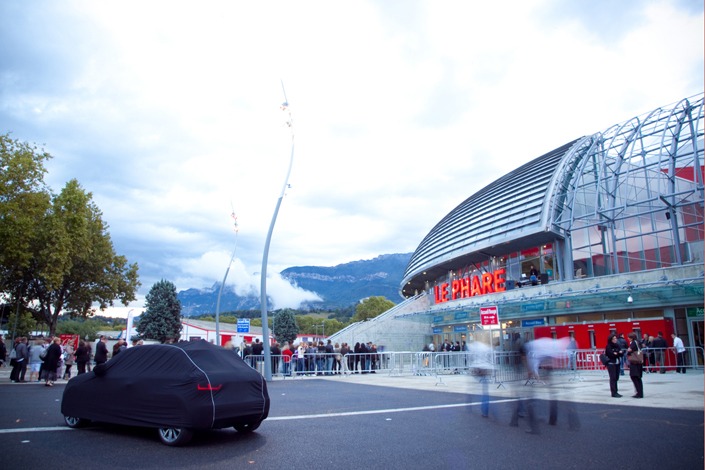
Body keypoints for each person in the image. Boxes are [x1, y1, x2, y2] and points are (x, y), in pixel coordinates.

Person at [626, 332, 644, 398]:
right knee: (638, 378)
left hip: (634, 362)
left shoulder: (633, 343)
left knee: (634, 377)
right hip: (639, 362)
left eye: (628, 337)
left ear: (631, 338)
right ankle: (640, 392)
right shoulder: (638, 342)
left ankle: (639, 393)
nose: (627, 338)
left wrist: (628, 350)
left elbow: (629, 350)